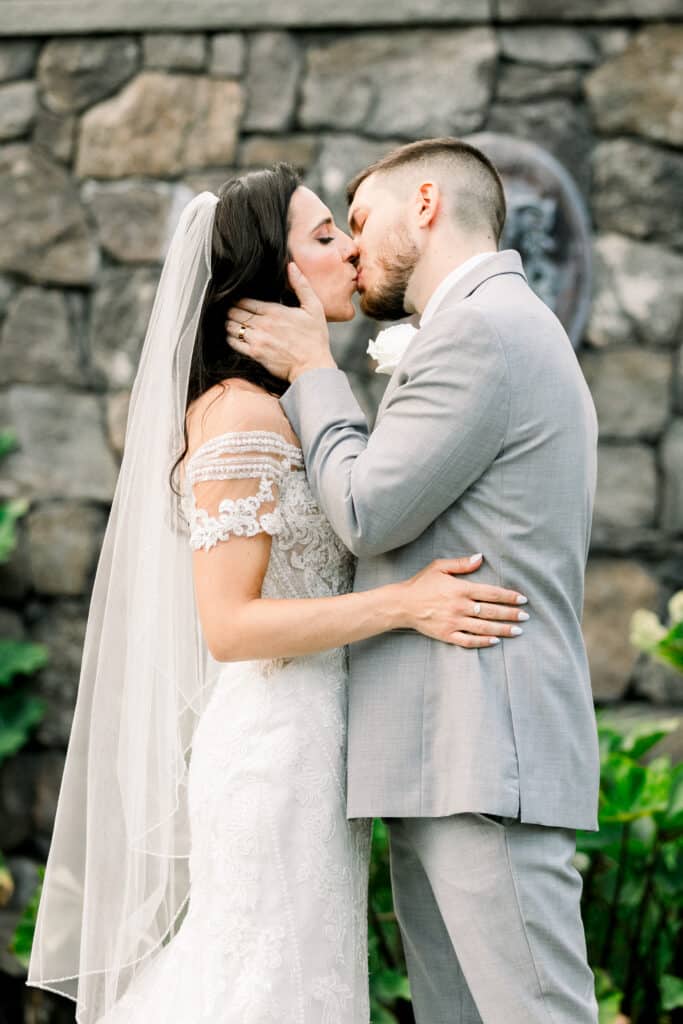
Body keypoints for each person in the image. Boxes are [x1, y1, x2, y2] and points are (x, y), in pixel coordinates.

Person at [26, 164, 529, 1024]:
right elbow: (229, 625)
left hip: (317, 748)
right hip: (271, 754)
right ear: (272, 275)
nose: (351, 249)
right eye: (325, 235)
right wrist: (405, 604)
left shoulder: (286, 404)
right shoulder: (238, 416)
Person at [226, 138, 601, 1024]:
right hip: (443, 756)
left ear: (424, 204)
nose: (353, 251)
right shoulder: (486, 325)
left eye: (359, 222)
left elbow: (366, 511)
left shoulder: (481, 328)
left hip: (482, 749)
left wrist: (316, 371)